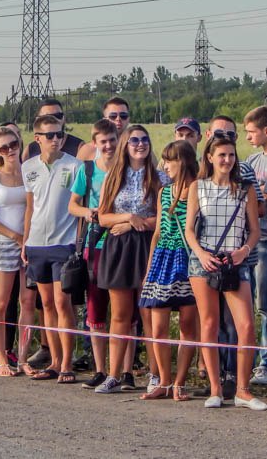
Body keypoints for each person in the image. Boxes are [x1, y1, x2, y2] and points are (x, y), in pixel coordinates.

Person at [184, 134, 267, 410]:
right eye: (222, 155)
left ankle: (243, 390)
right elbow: (189, 230)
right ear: (209, 157)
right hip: (204, 261)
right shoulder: (198, 187)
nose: (227, 160)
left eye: (231, 155)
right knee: (209, 324)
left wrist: (244, 250)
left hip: (234, 260)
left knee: (246, 325)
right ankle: (216, 388)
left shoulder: (245, 189)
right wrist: (201, 254)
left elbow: (254, 230)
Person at [94, 124, 166, 394]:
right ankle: (113, 375)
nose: (140, 144)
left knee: (149, 313)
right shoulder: (114, 176)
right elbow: (103, 217)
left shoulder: (159, 177)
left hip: (149, 245)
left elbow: (166, 216)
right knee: (121, 314)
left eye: (144, 140)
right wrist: (128, 218)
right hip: (119, 246)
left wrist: (140, 224)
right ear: (125, 144)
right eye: (134, 140)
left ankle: (156, 374)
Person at [22, 114, 82, 383]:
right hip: (36, 243)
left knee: (62, 302)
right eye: (50, 135)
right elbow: (30, 207)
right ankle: (55, 361)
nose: (56, 139)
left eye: (60, 134)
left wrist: (78, 244)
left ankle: (68, 362)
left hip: (64, 243)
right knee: (46, 304)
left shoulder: (75, 166)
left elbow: (78, 209)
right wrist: (24, 241)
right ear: (38, 139)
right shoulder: (28, 167)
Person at [139, 140, 198, 401]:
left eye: (169, 160)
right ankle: (163, 380)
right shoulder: (164, 192)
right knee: (158, 324)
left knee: (187, 324)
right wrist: (150, 267)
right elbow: (158, 231)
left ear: (181, 162)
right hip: (163, 256)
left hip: (187, 257)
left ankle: (180, 382)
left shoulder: (198, 188)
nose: (164, 166)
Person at [0, 126, 37, 377]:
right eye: (4, 147)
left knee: (27, 301)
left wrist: (25, 238)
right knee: (0, 302)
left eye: (13, 144)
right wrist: (14, 236)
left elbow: (33, 207)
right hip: (5, 242)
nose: (10, 150)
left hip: (30, 242)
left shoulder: (30, 172)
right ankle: (1, 357)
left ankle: (23, 357)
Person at [68, 118, 118, 390]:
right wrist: (88, 213)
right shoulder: (87, 171)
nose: (108, 145)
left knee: (123, 311)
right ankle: (100, 368)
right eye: (103, 141)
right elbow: (73, 205)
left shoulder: (126, 169)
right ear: (95, 143)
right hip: (94, 243)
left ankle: (122, 369)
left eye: (112, 140)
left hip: (121, 245)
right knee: (95, 309)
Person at [243, 105, 267, 386]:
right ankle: (247, 357)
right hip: (250, 241)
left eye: (251, 132)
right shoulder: (251, 161)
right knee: (248, 303)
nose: (247, 138)